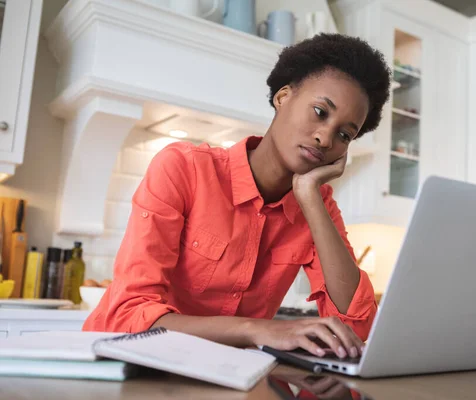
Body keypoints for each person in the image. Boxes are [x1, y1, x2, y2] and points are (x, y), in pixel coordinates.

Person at [83, 33, 391, 360]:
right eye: (319, 111)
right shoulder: (183, 169)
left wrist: (310, 199)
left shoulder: (319, 206)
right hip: (118, 367)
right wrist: (254, 329)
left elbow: (358, 328)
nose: (325, 137)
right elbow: (127, 315)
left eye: (345, 134)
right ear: (283, 97)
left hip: (221, 374)